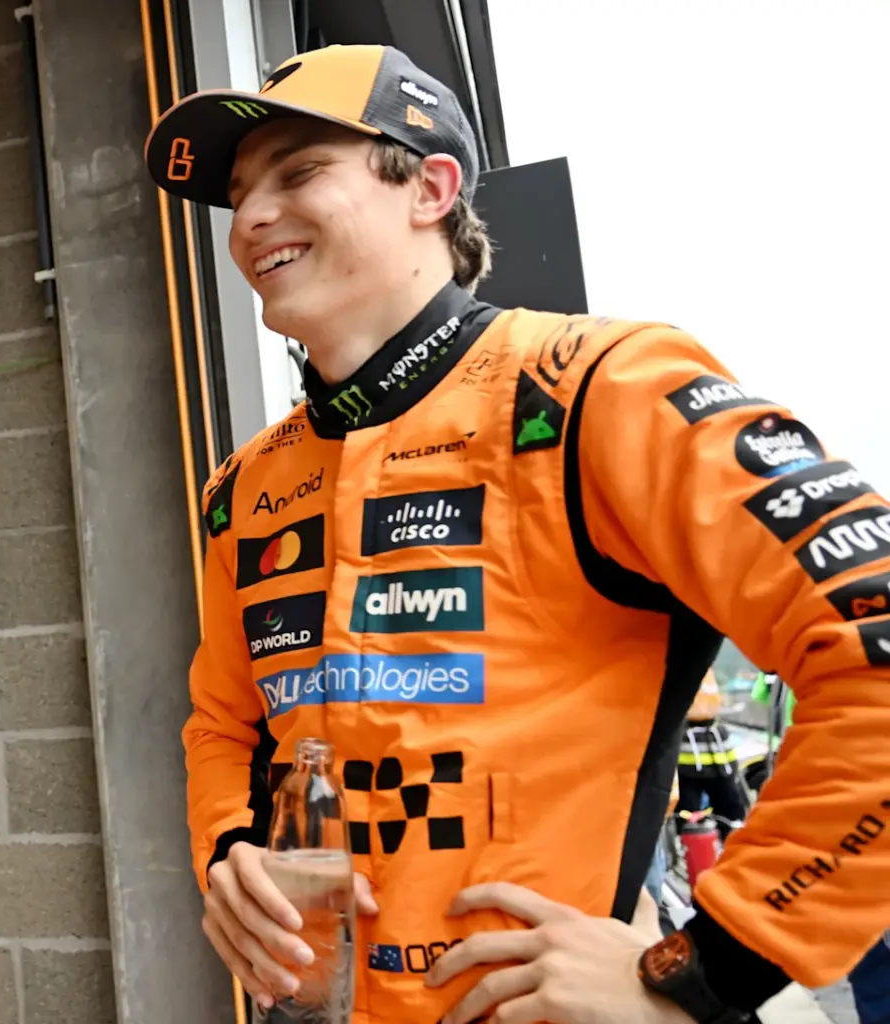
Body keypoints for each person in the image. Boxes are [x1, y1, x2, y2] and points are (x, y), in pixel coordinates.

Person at [148, 43, 890, 1024]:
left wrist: (708, 968)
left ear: (432, 188)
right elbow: (224, 722)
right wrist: (226, 851)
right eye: (239, 193)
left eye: (299, 172)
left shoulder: (600, 387)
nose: (248, 219)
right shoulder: (242, 487)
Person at [676, 670, 748, 843]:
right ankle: (691, 851)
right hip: (689, 759)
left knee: (731, 808)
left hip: (718, 756)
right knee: (688, 813)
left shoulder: (705, 667)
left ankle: (732, 844)